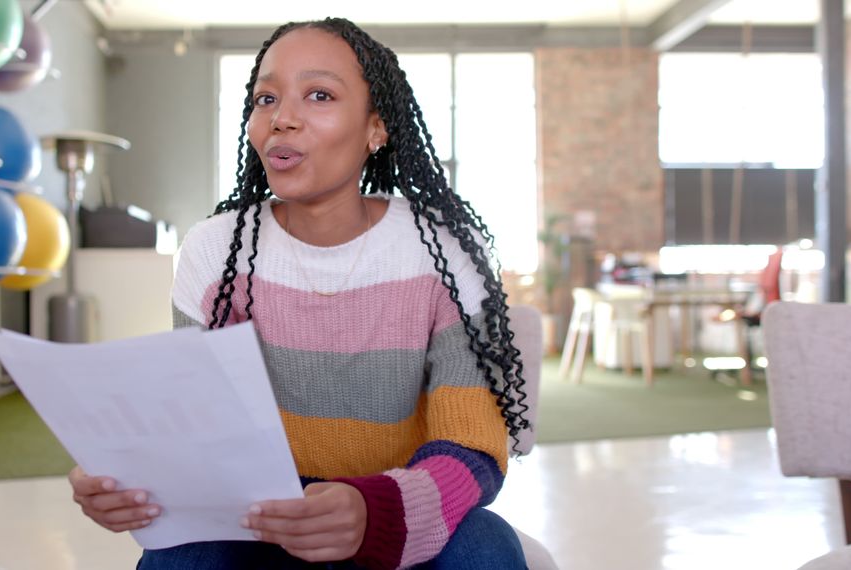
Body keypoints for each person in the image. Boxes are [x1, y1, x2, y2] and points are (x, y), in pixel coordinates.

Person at [69, 17, 532, 569]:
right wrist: (131, 474)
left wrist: (371, 510)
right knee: (178, 557)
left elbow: (473, 446)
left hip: (397, 517)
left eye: (319, 95)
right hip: (261, 521)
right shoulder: (216, 252)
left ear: (376, 128)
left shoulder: (447, 250)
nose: (282, 119)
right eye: (266, 98)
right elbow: (198, 428)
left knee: (486, 545)